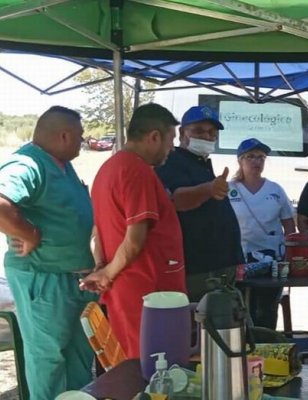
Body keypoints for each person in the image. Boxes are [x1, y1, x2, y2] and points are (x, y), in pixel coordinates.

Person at [0, 106, 97, 398]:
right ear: (64, 135)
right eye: (80, 137)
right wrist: (27, 232)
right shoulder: (29, 163)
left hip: (76, 279)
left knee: (81, 355)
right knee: (48, 359)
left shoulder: (62, 165)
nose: (83, 142)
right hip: (44, 279)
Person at [79, 103, 187, 358]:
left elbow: (97, 232)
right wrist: (106, 273)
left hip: (127, 288)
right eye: (171, 139)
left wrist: (102, 267)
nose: (172, 148)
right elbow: (134, 240)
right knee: (153, 368)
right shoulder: (136, 171)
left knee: (132, 361)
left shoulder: (108, 168)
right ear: (154, 137)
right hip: (147, 292)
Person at [155, 105, 244, 301]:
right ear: (182, 133)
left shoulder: (201, 163)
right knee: (203, 325)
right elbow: (176, 200)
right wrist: (208, 189)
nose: (206, 136)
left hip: (220, 266)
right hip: (199, 268)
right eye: (198, 131)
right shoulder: (173, 161)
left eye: (212, 132)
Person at [229, 138, 295, 328]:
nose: (257, 162)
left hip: (271, 260)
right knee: (241, 310)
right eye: (251, 157)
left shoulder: (275, 190)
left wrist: (290, 259)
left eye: (261, 157)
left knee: (266, 309)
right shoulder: (229, 189)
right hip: (240, 260)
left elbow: (289, 226)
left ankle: (266, 347)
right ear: (240, 160)